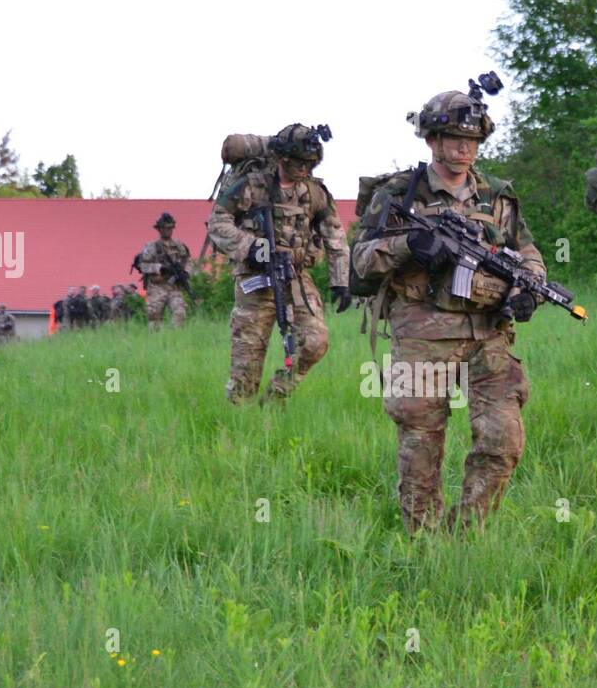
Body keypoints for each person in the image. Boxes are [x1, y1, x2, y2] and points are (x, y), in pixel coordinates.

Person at [351, 87, 545, 532]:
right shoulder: (400, 193)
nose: (463, 148)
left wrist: (529, 286)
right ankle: (422, 546)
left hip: (489, 332)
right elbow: (359, 263)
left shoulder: (495, 194)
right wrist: (407, 244)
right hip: (422, 335)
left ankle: (466, 532)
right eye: (453, 138)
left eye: (472, 140)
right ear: (431, 140)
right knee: (420, 447)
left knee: (504, 439)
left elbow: (527, 249)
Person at [205, 123, 350, 403]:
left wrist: (341, 280)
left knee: (315, 342)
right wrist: (250, 247)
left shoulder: (314, 192)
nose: (303, 170)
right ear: (282, 159)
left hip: (295, 278)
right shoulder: (251, 186)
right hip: (254, 281)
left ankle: (276, 396)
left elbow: (334, 234)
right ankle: (241, 426)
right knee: (245, 368)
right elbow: (218, 221)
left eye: (309, 164)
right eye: (298, 163)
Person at [135, 213, 192, 331]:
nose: (168, 231)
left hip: (174, 287)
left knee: (180, 313)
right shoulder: (151, 247)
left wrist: (186, 272)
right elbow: (143, 266)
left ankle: (174, 339)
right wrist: (159, 268)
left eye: (170, 228)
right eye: (165, 228)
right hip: (157, 286)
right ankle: (157, 344)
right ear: (159, 229)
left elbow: (187, 261)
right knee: (154, 318)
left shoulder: (179, 246)